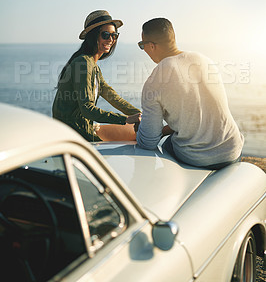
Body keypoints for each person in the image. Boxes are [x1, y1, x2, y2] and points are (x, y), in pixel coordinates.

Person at [136, 18, 244, 169]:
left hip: (197, 159)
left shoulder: (154, 81)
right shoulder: (205, 60)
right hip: (232, 151)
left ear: (152, 46)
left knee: (166, 146)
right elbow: (197, 116)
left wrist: (142, 128)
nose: (144, 50)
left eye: (142, 45)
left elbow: (148, 142)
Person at [53, 10, 141, 142]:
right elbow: (87, 109)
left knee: (135, 136)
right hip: (72, 135)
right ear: (94, 37)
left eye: (114, 35)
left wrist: (139, 114)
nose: (111, 40)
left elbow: (112, 96)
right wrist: (126, 119)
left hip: (82, 129)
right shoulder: (83, 63)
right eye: (106, 35)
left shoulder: (93, 66)